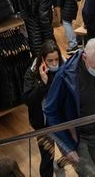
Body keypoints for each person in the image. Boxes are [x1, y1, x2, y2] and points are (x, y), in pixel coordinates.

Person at [43, 38, 95, 177]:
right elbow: (50, 111)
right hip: (76, 136)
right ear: (84, 57)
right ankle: (62, 162)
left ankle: (61, 164)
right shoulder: (65, 75)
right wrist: (67, 146)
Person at [23, 40, 64, 177]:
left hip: (62, 122)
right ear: (42, 60)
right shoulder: (31, 74)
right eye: (50, 60)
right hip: (42, 126)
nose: (54, 63)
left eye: (56, 59)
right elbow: (28, 100)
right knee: (47, 159)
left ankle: (59, 167)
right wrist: (42, 83)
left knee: (69, 154)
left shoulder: (64, 69)